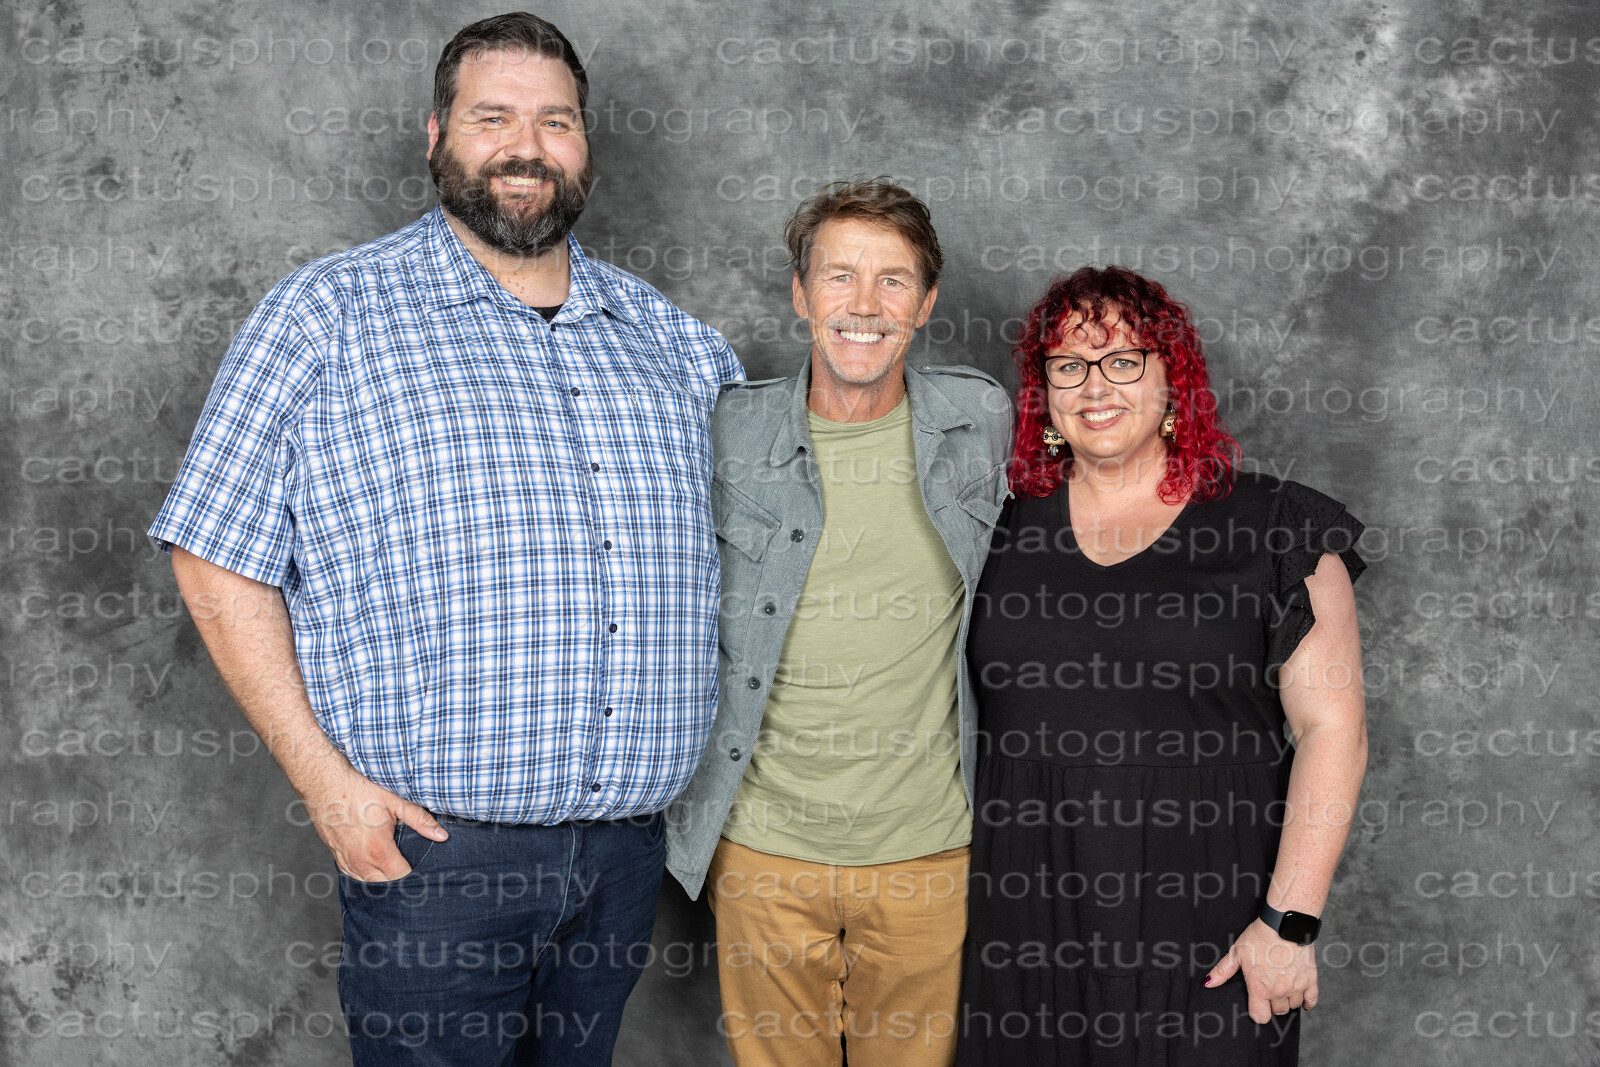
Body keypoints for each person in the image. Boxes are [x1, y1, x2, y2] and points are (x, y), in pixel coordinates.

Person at [147, 12, 742, 1065]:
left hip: (623, 862)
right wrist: (327, 787)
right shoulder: (328, 316)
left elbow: (758, 567)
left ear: (585, 144)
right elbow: (215, 553)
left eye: (555, 121)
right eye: (492, 118)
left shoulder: (677, 345)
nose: (526, 147)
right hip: (434, 859)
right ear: (436, 136)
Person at [957, 266, 1369, 1065]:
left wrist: (1289, 924)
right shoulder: (987, 526)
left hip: (1217, 927)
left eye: (1123, 360)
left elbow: (1335, 733)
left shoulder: (1277, 527)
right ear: (1043, 391)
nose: (1094, 386)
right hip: (1024, 926)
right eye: (1069, 364)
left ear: (1173, 378)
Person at [664, 177, 1012, 1067]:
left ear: (926, 303)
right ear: (800, 293)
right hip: (764, 851)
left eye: (893, 280)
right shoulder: (725, 431)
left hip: (930, 851)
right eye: (839, 276)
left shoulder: (979, 422)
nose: (864, 304)